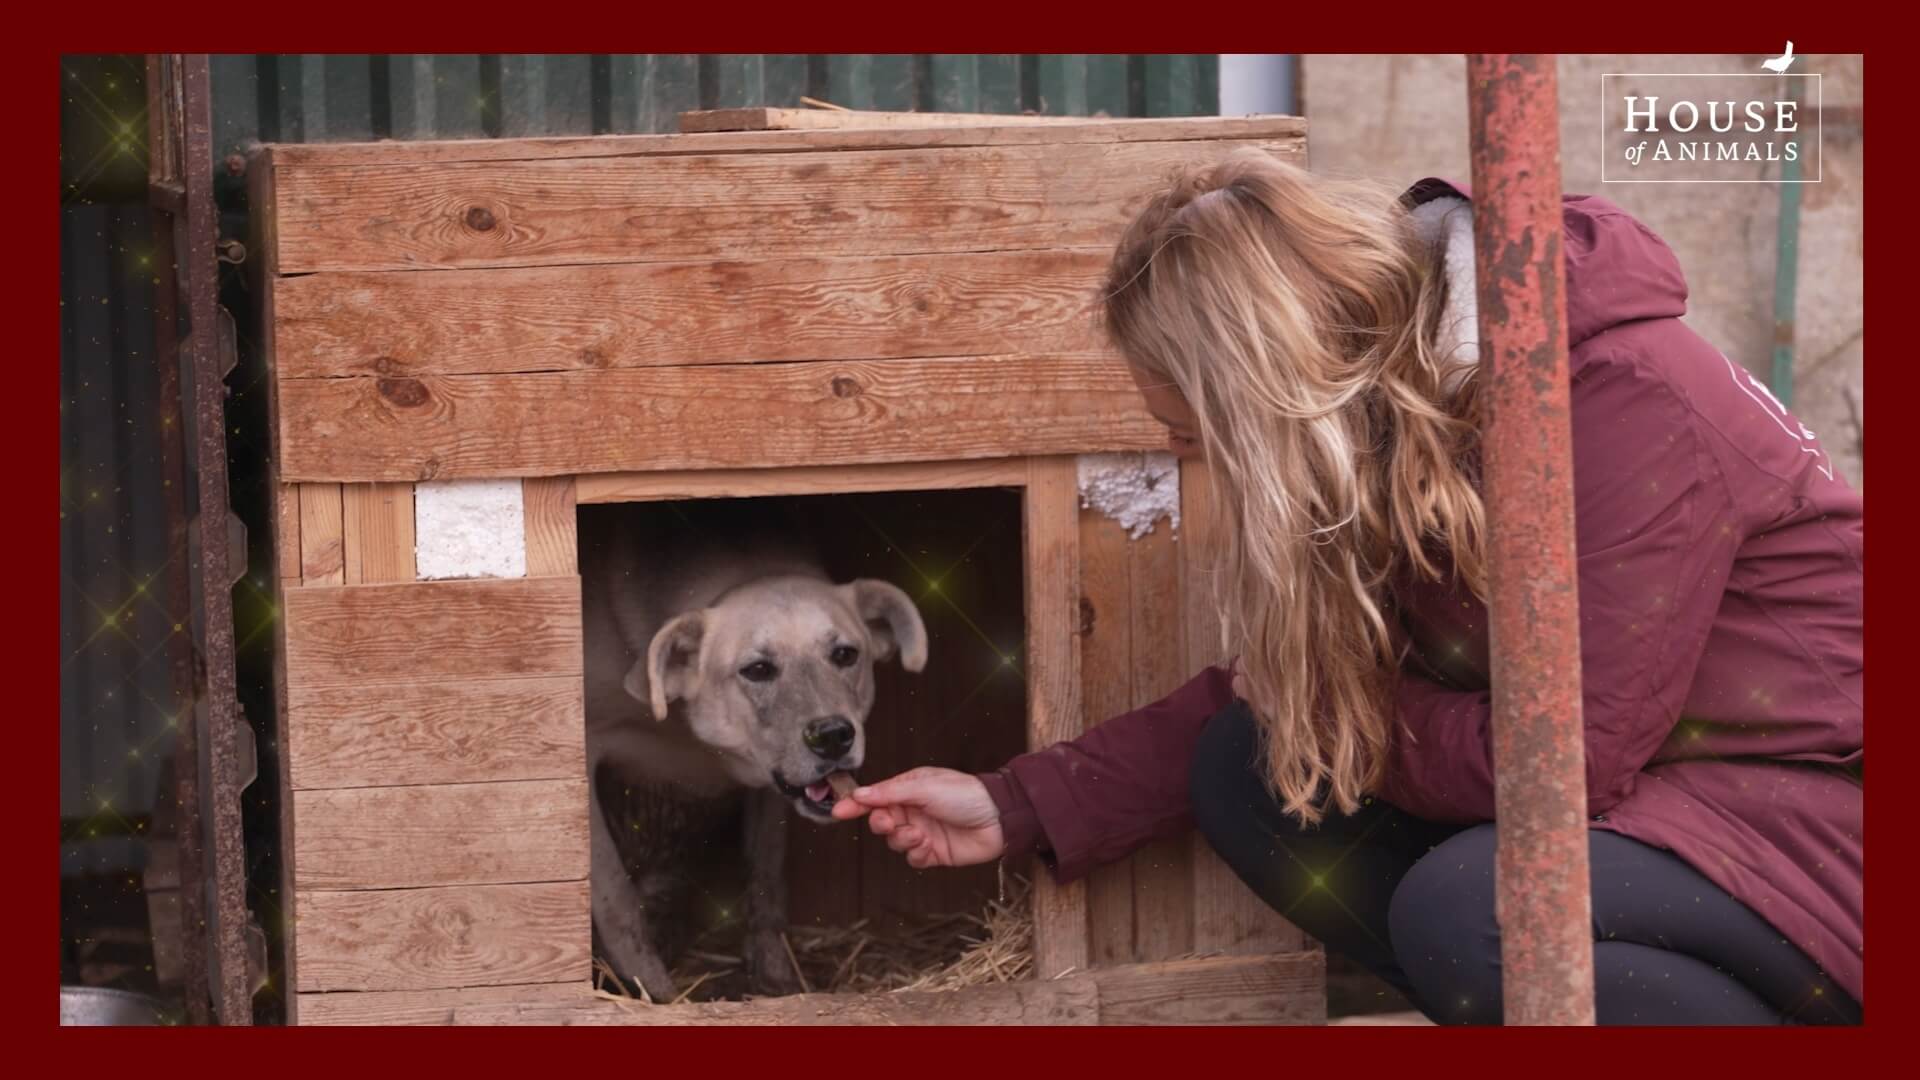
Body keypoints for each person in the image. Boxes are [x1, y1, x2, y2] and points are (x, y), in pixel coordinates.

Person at [832, 149, 1863, 1026]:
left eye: (1206, 438)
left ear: (1277, 389)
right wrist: (1016, 804)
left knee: (1480, 915)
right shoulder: (1399, 402)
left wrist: (1345, 718)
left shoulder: (1608, 398)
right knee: (1248, 767)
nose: (1202, 468)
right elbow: (1288, 691)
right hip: (1686, 794)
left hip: (1822, 811)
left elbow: (1560, 763)